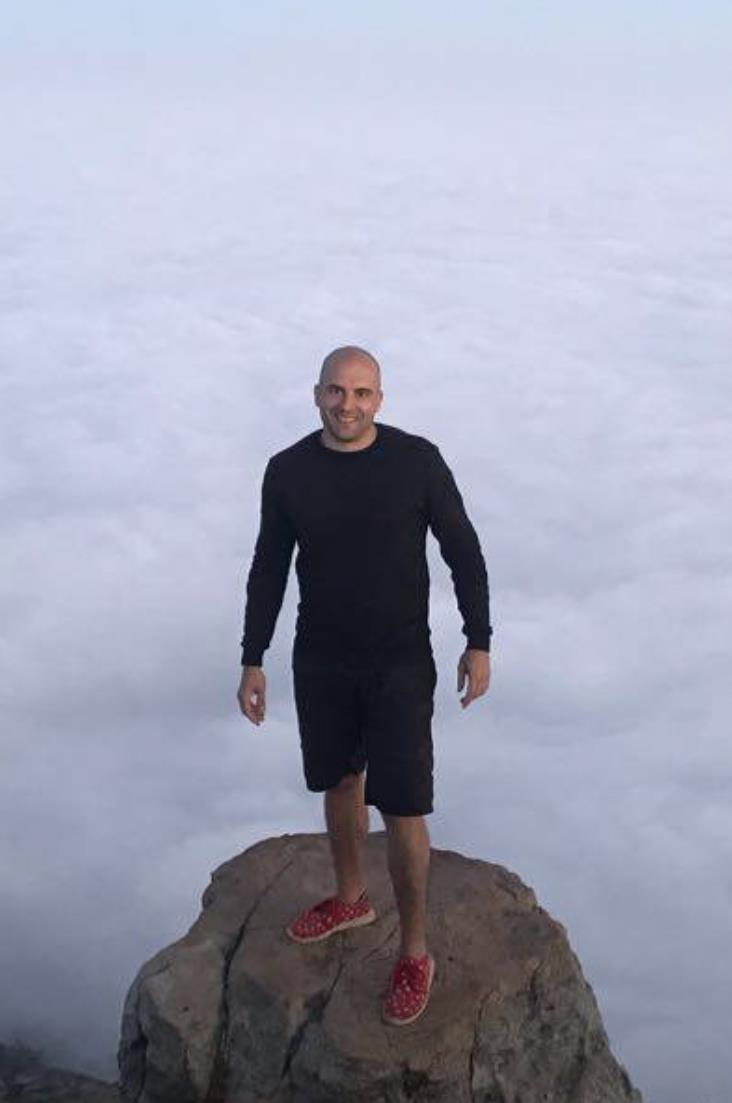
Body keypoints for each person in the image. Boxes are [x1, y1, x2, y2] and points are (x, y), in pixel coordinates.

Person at [237, 345, 492, 1026]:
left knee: (403, 805)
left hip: (398, 662)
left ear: (379, 398)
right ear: (316, 394)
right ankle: (351, 898)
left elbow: (463, 550)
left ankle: (414, 951)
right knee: (340, 780)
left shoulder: (416, 461)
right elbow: (269, 566)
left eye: (361, 393)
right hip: (321, 658)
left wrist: (478, 640)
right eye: (336, 391)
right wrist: (252, 657)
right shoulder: (288, 471)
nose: (347, 405)